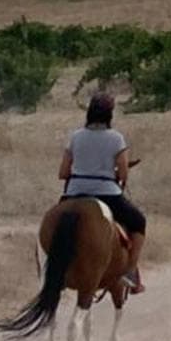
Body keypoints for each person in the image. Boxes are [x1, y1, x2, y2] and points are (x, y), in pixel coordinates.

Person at [59, 91, 146, 293]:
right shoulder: (116, 139)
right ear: (110, 114)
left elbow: (62, 173)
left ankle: (52, 269)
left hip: (74, 192)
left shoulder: (75, 137)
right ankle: (130, 272)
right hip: (107, 193)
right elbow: (123, 174)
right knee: (139, 222)